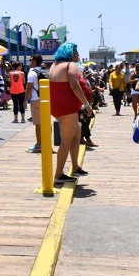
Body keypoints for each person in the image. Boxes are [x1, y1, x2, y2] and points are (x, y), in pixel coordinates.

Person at [49, 42, 93, 185]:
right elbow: (74, 85)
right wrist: (86, 104)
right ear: (70, 53)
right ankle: (58, 174)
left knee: (76, 134)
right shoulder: (70, 66)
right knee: (66, 141)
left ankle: (75, 167)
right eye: (76, 52)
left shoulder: (54, 65)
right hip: (67, 108)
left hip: (56, 106)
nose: (78, 54)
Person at [25, 54, 45, 152]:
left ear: (34, 62)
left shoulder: (31, 73)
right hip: (44, 99)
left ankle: (39, 144)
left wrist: (24, 101)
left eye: (31, 60)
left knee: (38, 124)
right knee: (45, 123)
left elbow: (29, 88)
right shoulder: (43, 71)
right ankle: (45, 142)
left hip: (35, 99)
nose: (29, 62)